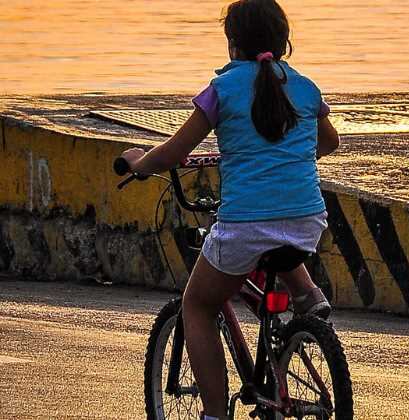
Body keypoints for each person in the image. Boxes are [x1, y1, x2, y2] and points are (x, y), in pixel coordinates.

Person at [118, 1, 339, 418]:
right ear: (283, 41)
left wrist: (139, 162)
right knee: (280, 231)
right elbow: (329, 144)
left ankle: (216, 414)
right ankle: (308, 296)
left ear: (232, 42)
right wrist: (284, 161)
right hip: (309, 220)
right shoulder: (307, 87)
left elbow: (174, 152)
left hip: (246, 226)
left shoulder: (222, 90)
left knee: (197, 304)